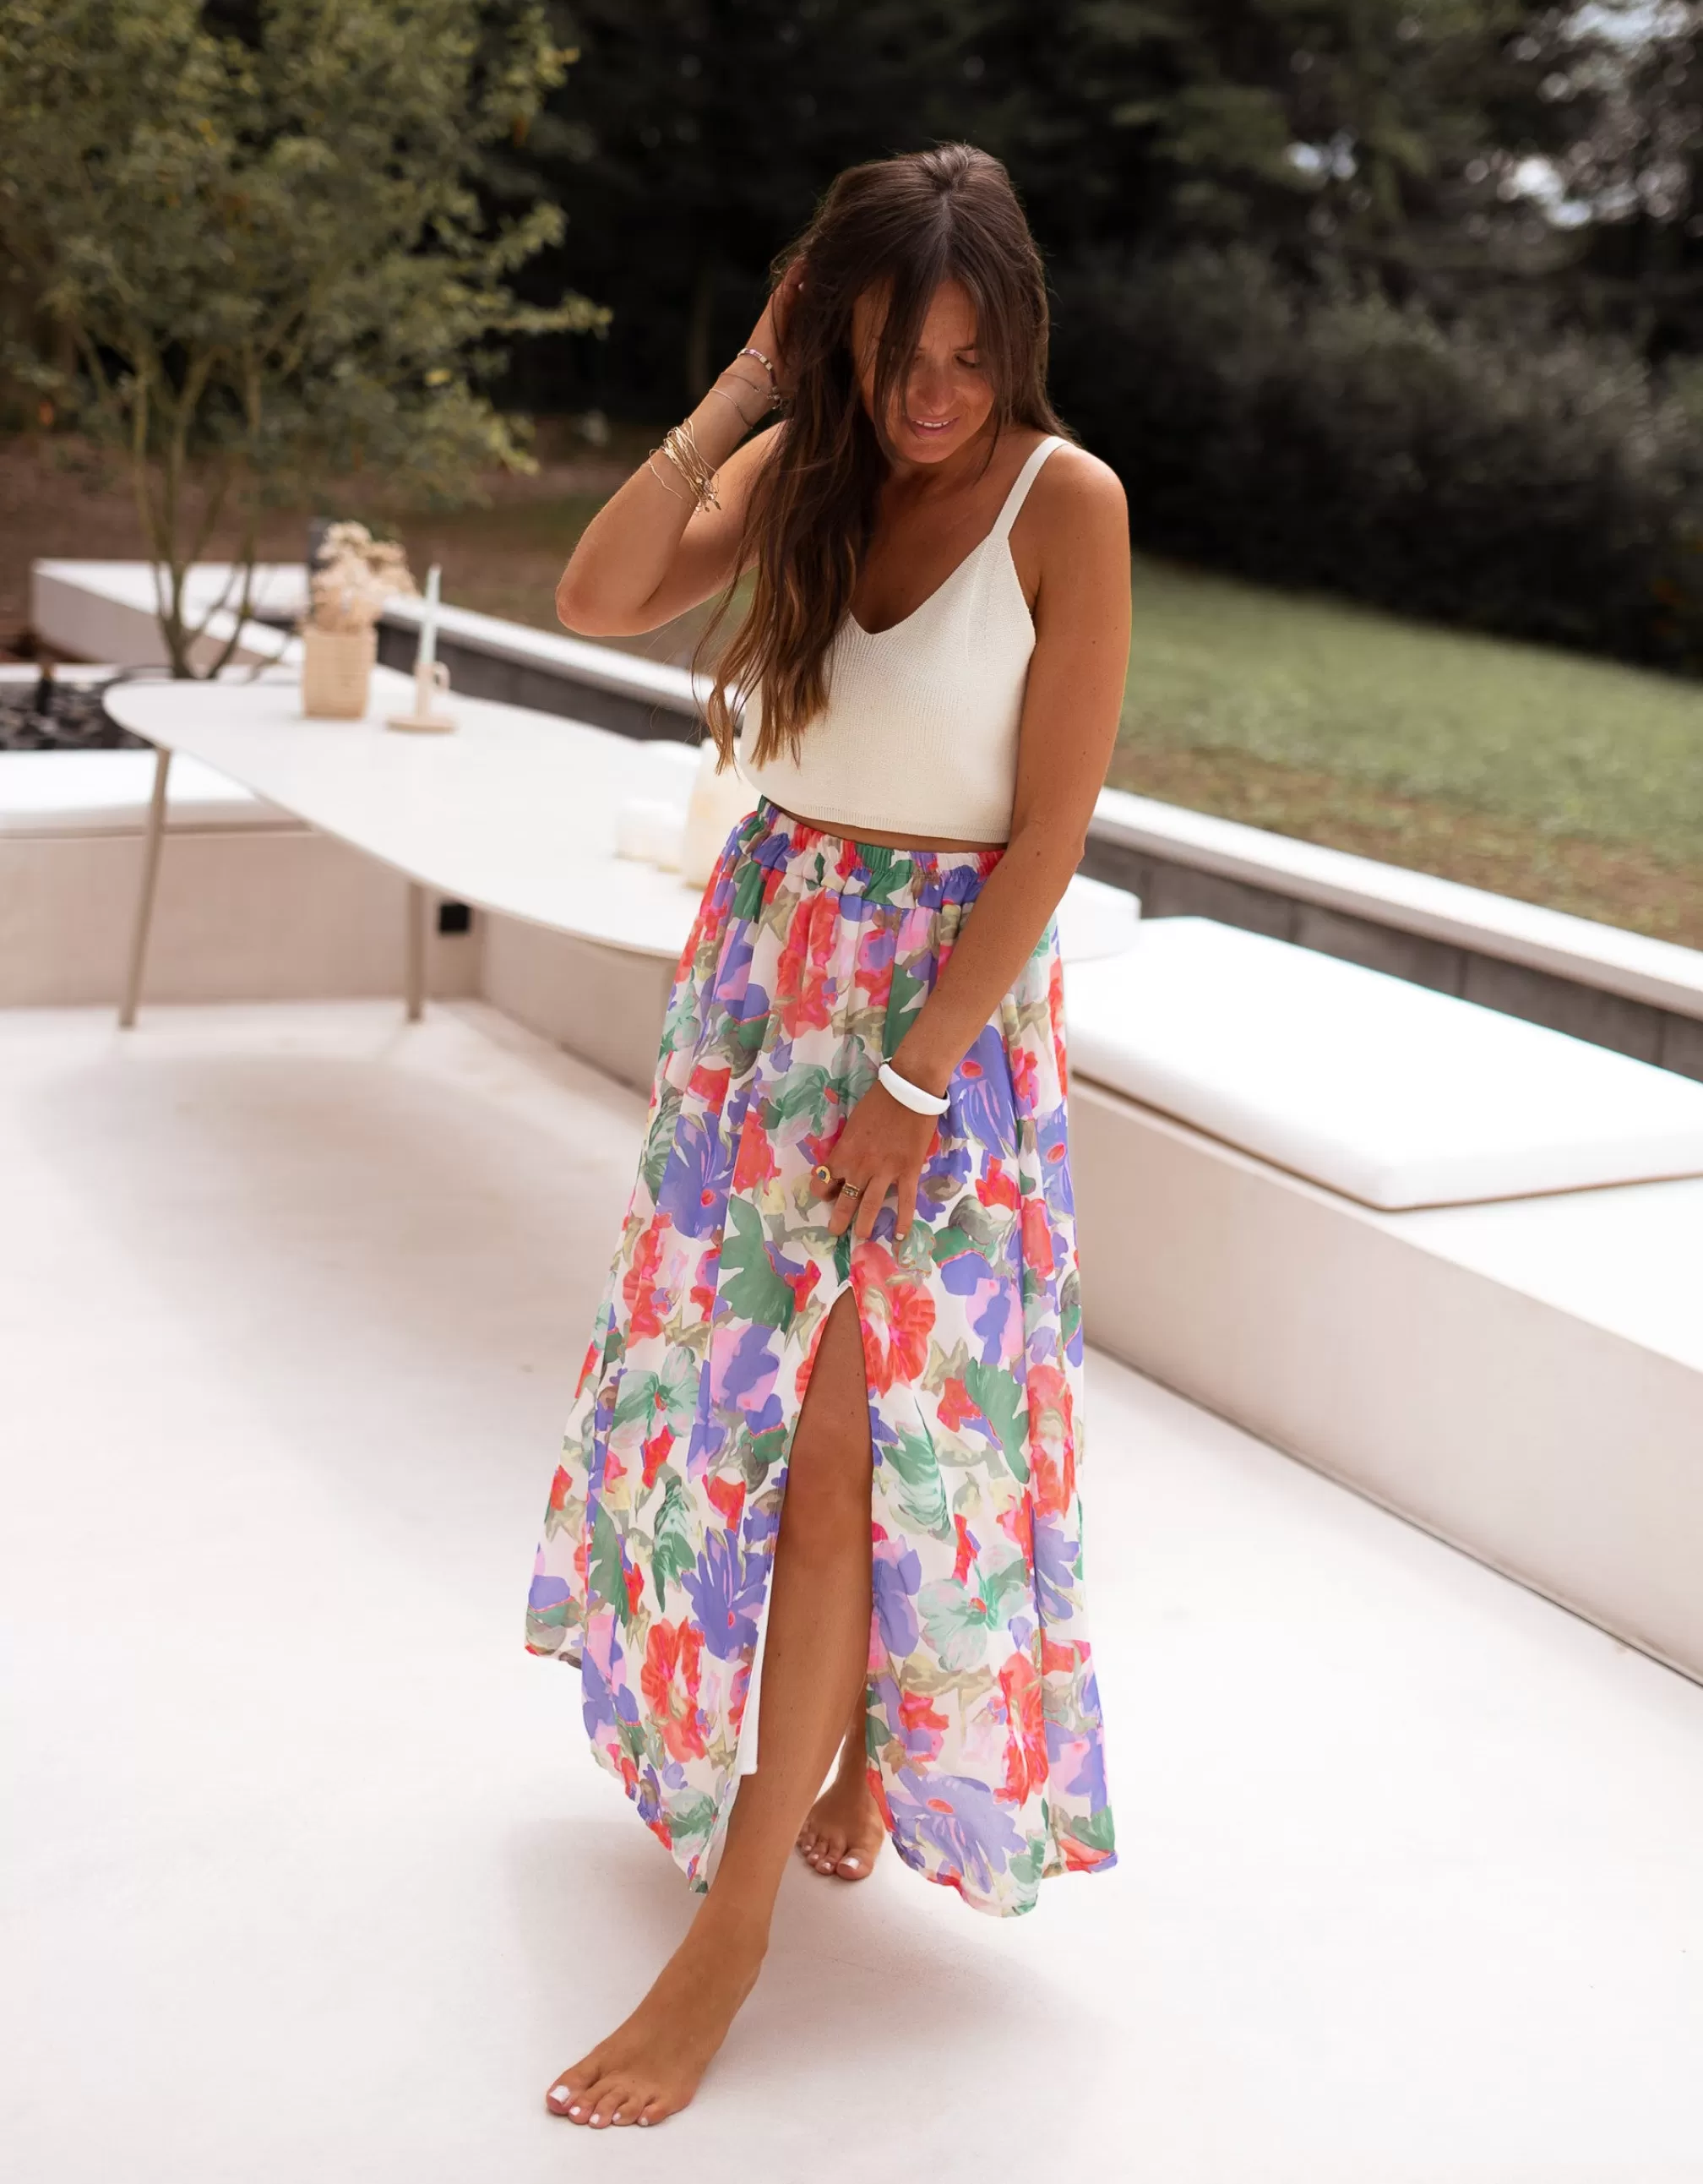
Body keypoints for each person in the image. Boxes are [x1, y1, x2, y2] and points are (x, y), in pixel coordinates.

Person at [525, 141, 1130, 2130]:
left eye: (965, 355)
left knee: (850, 1445)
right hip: (764, 994)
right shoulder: (810, 470)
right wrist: (746, 390)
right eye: (891, 354)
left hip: (935, 1035)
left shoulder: (1066, 504)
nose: (932, 395)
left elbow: (1049, 833)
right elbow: (597, 589)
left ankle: (732, 1927)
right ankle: (836, 1752)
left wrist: (914, 1080)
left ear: (1015, 336)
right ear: (837, 341)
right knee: (749, 1415)